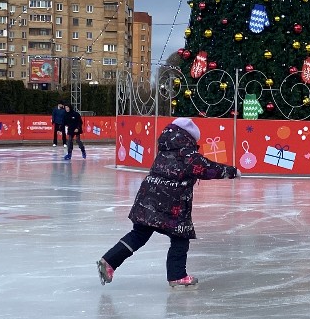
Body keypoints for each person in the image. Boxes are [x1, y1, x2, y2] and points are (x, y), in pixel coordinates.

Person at [97, 117, 238, 287]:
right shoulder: (187, 155)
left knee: (139, 234)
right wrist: (232, 171)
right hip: (172, 204)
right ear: (189, 137)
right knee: (180, 236)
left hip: (147, 199)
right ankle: (177, 275)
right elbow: (208, 169)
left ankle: (109, 261)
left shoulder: (164, 149)